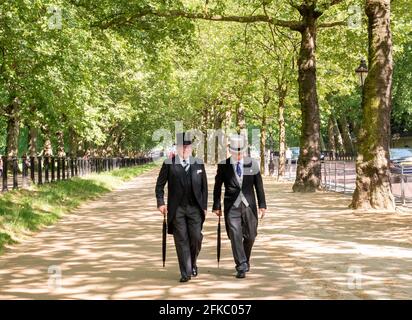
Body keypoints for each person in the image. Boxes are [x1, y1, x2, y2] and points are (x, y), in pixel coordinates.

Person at [155, 132, 208, 282]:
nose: (184, 149)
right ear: (177, 148)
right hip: (176, 209)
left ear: (191, 148)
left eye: (187, 146)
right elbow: (159, 186)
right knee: (181, 239)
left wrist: (204, 206)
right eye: (181, 146)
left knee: (196, 237)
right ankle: (186, 272)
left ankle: (193, 262)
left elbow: (204, 187)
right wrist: (161, 203)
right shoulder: (168, 164)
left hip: (195, 208)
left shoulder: (198, 163)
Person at [213, 134, 267, 279]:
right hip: (231, 207)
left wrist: (262, 205)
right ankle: (241, 265)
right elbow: (217, 187)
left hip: (249, 206)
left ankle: (245, 259)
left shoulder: (253, 164)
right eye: (235, 151)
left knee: (251, 236)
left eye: (240, 151)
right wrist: (216, 205)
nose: (238, 154)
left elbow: (259, 186)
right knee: (235, 235)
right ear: (230, 150)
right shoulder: (223, 165)